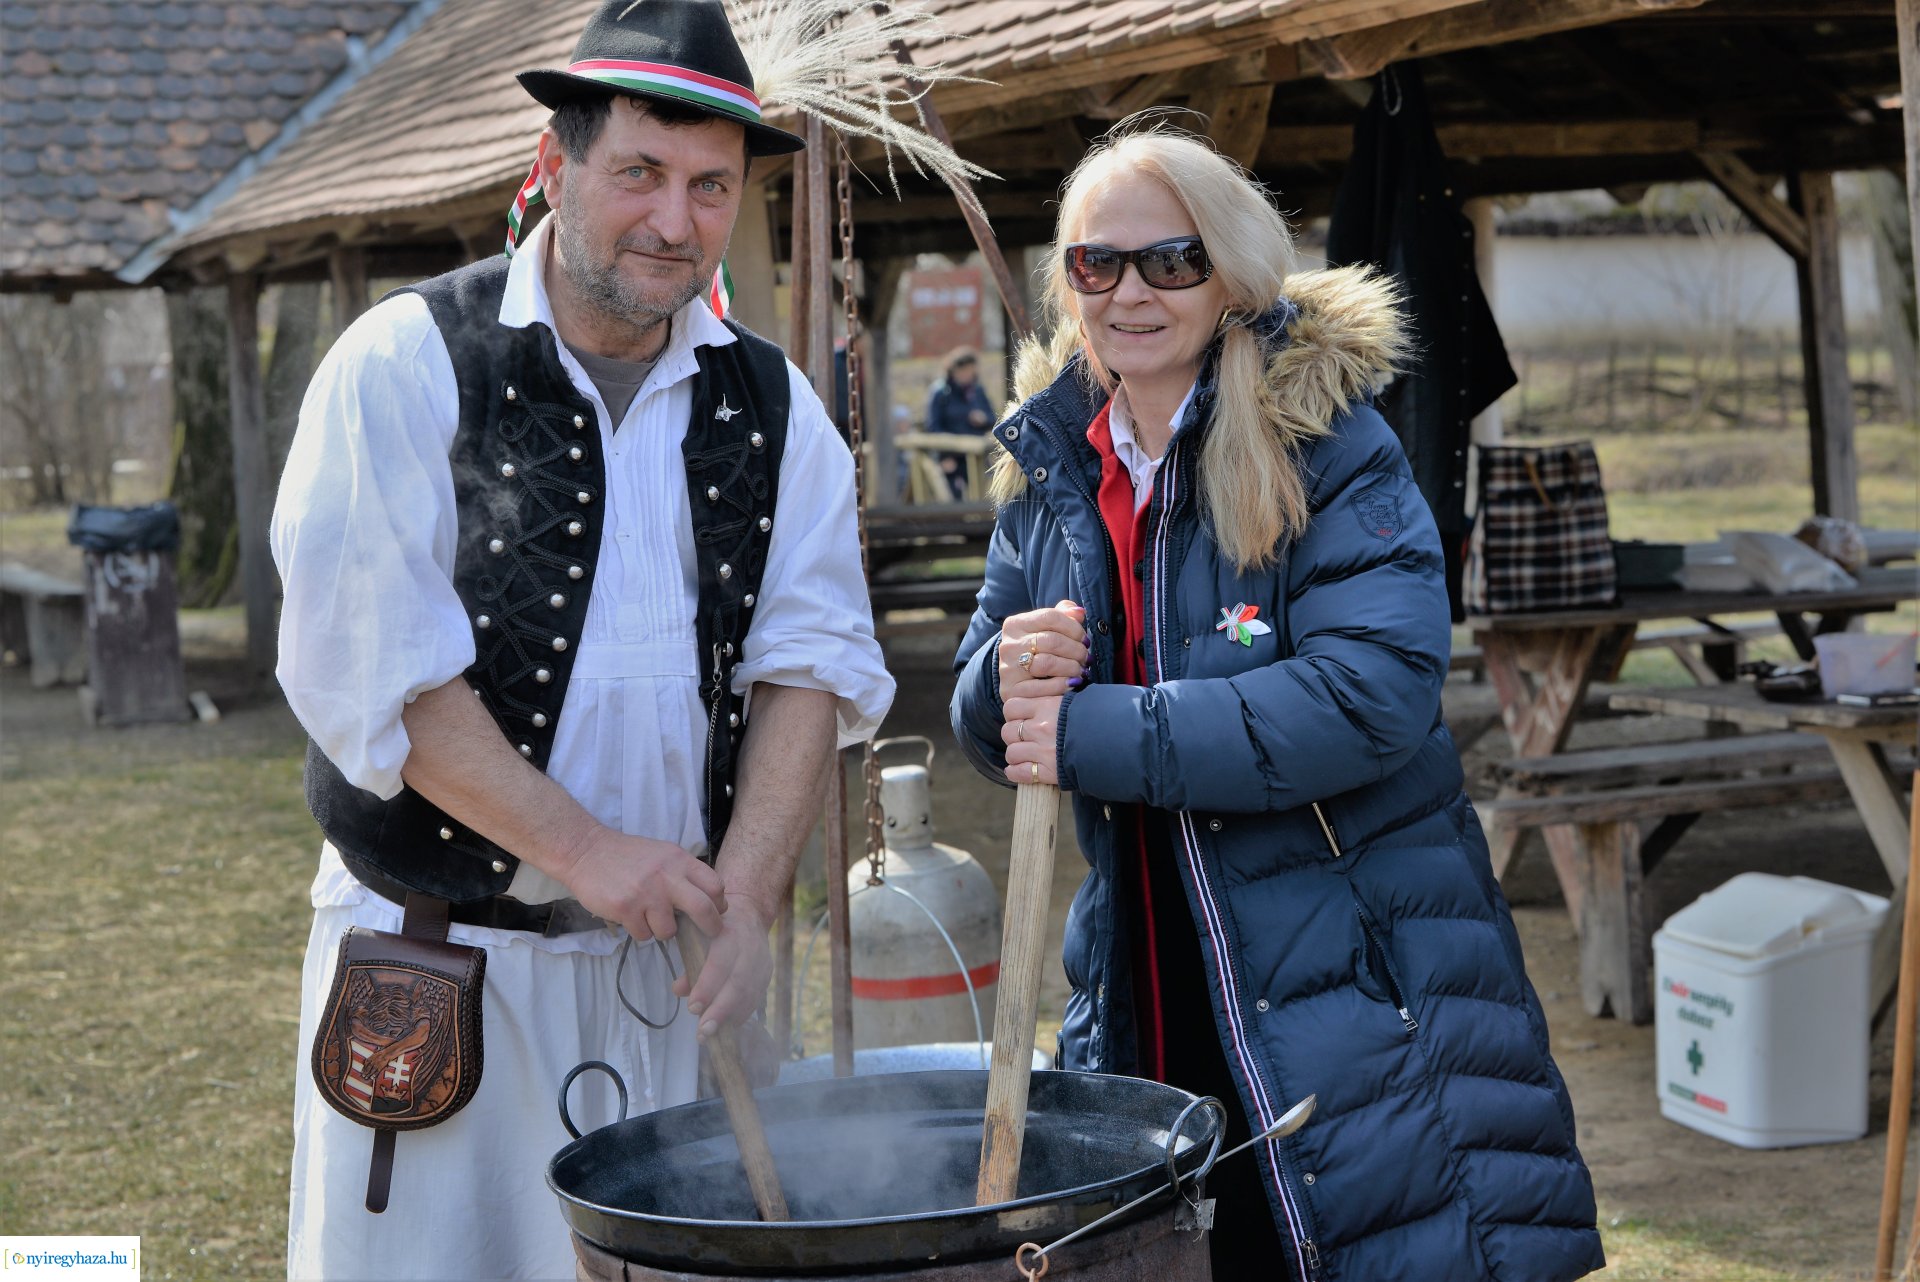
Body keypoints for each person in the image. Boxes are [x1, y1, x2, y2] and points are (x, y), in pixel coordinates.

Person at [269, 1, 921, 1276]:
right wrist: (585, 851)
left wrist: (747, 895)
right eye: (639, 173)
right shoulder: (405, 363)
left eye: (709, 186)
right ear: (557, 167)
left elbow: (808, 668)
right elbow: (379, 677)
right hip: (447, 970)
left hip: (683, 984)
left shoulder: (775, 405)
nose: (674, 222)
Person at [949, 123, 1605, 1282]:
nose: (1133, 292)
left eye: (1173, 261)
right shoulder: (1051, 471)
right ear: (1069, 282)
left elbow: (1369, 696)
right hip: (1148, 980)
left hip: (1349, 992)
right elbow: (984, 697)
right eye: (1098, 263)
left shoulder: (1331, 450)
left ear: (1234, 274)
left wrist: (1087, 726)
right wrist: (1003, 684)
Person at [925, 348, 994, 499]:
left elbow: (992, 419)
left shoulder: (977, 390)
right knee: (953, 498)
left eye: (971, 370)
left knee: (986, 495)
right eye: (964, 370)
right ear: (954, 370)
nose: (967, 375)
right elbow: (933, 426)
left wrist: (983, 419)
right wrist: (943, 456)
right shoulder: (940, 392)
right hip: (950, 455)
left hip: (977, 456)